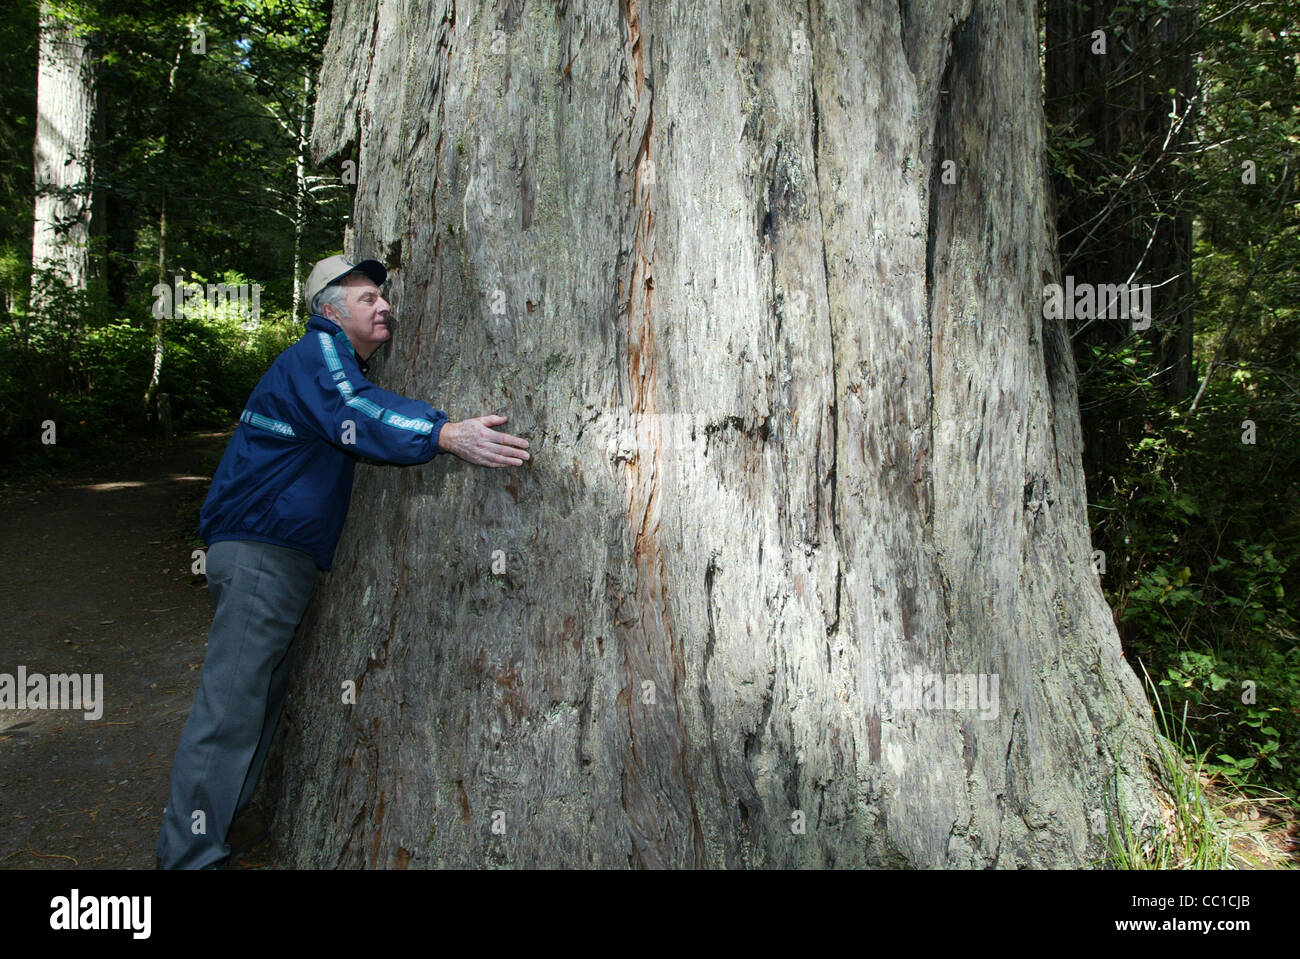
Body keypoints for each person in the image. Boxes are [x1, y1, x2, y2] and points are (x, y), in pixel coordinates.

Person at [155, 254, 529, 869]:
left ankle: (221, 818)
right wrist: (443, 433)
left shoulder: (324, 361)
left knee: (258, 699)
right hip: (260, 553)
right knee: (229, 708)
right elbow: (356, 409)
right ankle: (189, 857)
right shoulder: (319, 353)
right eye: (364, 298)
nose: (383, 305)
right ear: (328, 310)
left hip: (275, 556)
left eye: (383, 296)